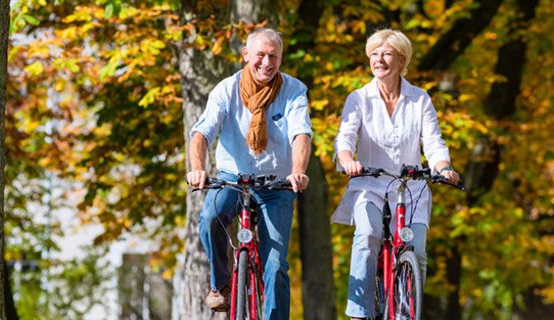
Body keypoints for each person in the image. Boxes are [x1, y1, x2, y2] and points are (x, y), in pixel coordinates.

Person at [332, 29, 460, 320]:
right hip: (369, 184)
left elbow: (433, 142)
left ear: (402, 61)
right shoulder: (359, 98)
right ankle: (359, 313)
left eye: (387, 54)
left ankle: (405, 313)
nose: (379, 60)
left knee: (417, 253)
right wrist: (347, 160)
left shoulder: (420, 99)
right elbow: (345, 138)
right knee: (367, 236)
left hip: (410, 187)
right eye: (375, 54)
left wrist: (444, 167)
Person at [186, 28, 312, 319]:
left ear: (281, 59)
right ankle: (221, 285)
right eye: (260, 55)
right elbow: (201, 135)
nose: (266, 63)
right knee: (209, 218)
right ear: (246, 55)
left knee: (276, 265)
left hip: (277, 184)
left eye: (273, 56)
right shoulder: (226, 90)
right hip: (233, 177)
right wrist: (197, 169)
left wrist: (298, 172)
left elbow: (301, 135)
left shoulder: (294, 90)